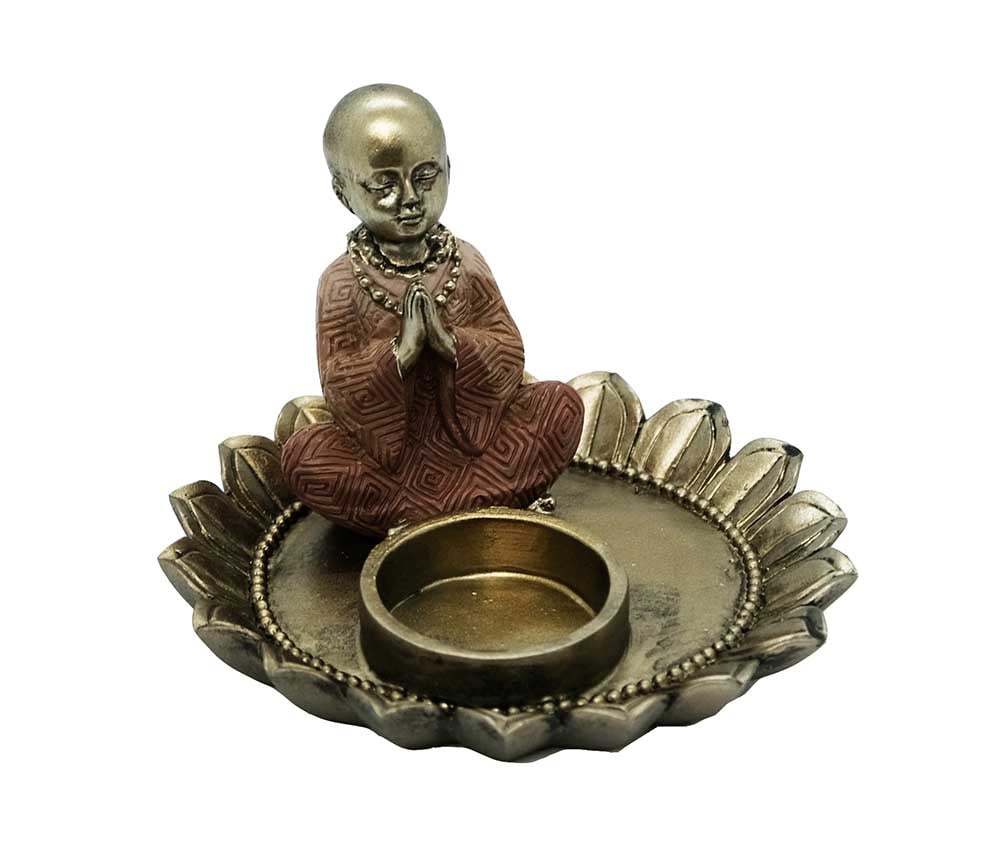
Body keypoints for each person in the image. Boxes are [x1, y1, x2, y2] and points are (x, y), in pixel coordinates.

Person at [281, 84, 584, 537]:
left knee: (561, 405)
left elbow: (508, 350)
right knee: (304, 457)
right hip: (394, 467)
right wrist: (400, 355)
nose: (410, 198)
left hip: (481, 452)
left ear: (448, 169)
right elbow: (339, 383)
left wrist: (450, 344)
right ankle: (441, 509)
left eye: (425, 177)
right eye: (384, 185)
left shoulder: (467, 263)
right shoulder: (341, 282)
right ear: (343, 193)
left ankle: (449, 507)